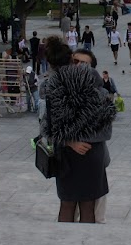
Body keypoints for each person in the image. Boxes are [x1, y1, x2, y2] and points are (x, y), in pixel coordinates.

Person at [40, 36, 116, 223]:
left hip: (75, 154)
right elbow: (105, 125)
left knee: (76, 204)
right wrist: (74, 140)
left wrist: (70, 140)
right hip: (83, 153)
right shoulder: (92, 87)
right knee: (79, 204)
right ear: (71, 61)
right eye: (76, 61)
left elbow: (46, 127)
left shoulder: (52, 88)